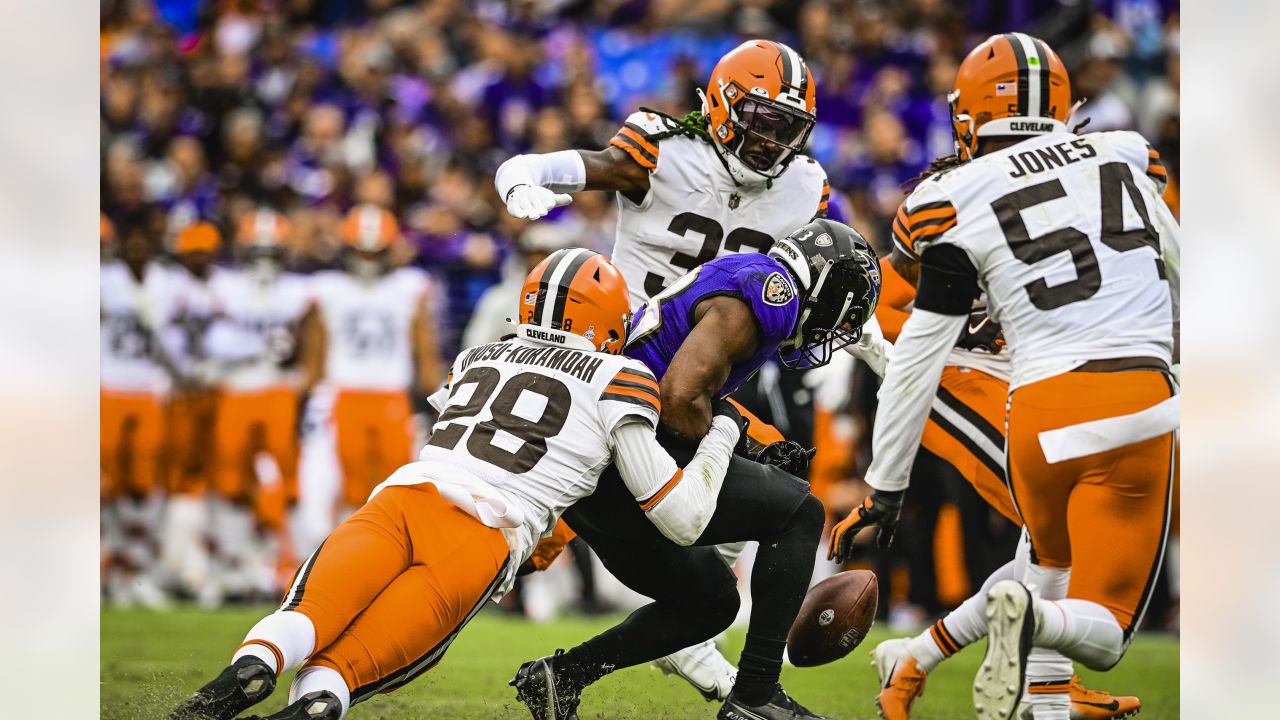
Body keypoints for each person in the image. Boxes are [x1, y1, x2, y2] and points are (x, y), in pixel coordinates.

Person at [166, 249, 745, 720]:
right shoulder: (621, 375)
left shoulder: (476, 357)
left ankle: (245, 672)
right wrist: (722, 431)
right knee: (333, 681)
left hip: (403, 500)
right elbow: (683, 517)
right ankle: (315, 700)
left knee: (303, 619)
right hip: (482, 536)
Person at [496, 38, 892, 700]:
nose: (770, 143)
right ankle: (749, 689)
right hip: (626, 367)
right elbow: (594, 164)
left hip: (702, 378)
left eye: (785, 128)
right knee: (532, 529)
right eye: (759, 121)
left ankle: (623, 661)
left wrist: (882, 353)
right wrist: (531, 171)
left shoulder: (804, 186)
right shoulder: (664, 149)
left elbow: (841, 273)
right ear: (718, 107)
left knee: (771, 489)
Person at [826, 33, 1179, 720]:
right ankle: (1005, 641)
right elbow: (1181, 270)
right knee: (1099, 626)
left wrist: (883, 486)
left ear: (970, 116)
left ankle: (949, 668)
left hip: (1036, 407)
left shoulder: (954, 195)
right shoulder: (1126, 154)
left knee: (1045, 568)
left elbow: (914, 343)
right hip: (1111, 390)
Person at [511, 219, 880, 720]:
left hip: (596, 476)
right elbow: (678, 399)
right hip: (627, 458)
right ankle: (755, 698)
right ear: (826, 285)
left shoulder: (744, 278)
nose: (839, 327)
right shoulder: (774, 295)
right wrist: (734, 439)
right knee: (800, 511)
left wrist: (744, 443)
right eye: (847, 306)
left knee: (710, 602)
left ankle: (560, 678)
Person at [298, 204, 444, 518]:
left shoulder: (409, 286)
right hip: (343, 394)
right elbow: (314, 351)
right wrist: (306, 395)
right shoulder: (328, 288)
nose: (367, 261)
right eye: (362, 252)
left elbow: (425, 351)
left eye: (375, 253)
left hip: (392, 395)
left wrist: (437, 402)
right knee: (344, 482)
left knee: (396, 480)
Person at [204, 209, 313, 600]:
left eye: (272, 252)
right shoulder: (222, 286)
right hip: (233, 390)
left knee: (287, 483)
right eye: (257, 252)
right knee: (230, 482)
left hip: (279, 391)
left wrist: (303, 373)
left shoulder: (301, 291)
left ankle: (291, 565)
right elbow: (206, 341)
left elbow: (312, 340)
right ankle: (232, 564)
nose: (264, 262)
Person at [100, 211, 175, 607]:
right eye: (131, 243)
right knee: (105, 484)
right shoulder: (104, 280)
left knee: (144, 487)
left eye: (143, 243)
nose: (137, 249)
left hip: (149, 390)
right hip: (109, 388)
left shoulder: (166, 282)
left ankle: (137, 568)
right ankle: (111, 566)